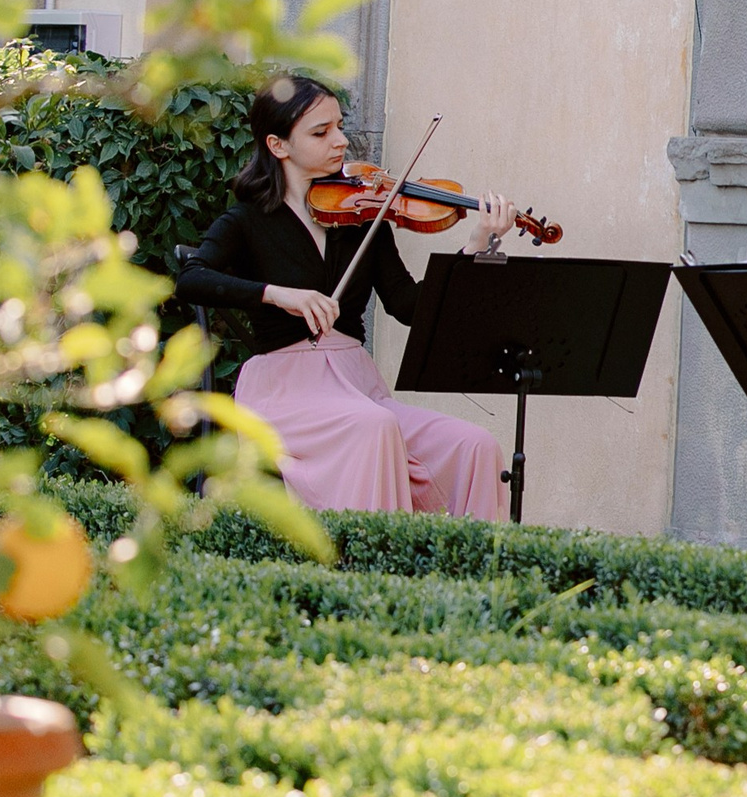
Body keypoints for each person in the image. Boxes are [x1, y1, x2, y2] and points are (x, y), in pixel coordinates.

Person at [177, 76, 518, 519]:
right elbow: (192, 278)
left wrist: (474, 246)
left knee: (475, 444)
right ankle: (370, 575)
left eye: (339, 126)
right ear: (278, 146)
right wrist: (279, 296)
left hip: (358, 387)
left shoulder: (362, 217)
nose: (340, 141)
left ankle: (471, 580)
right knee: (374, 428)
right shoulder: (247, 221)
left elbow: (410, 306)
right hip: (286, 393)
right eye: (321, 133)